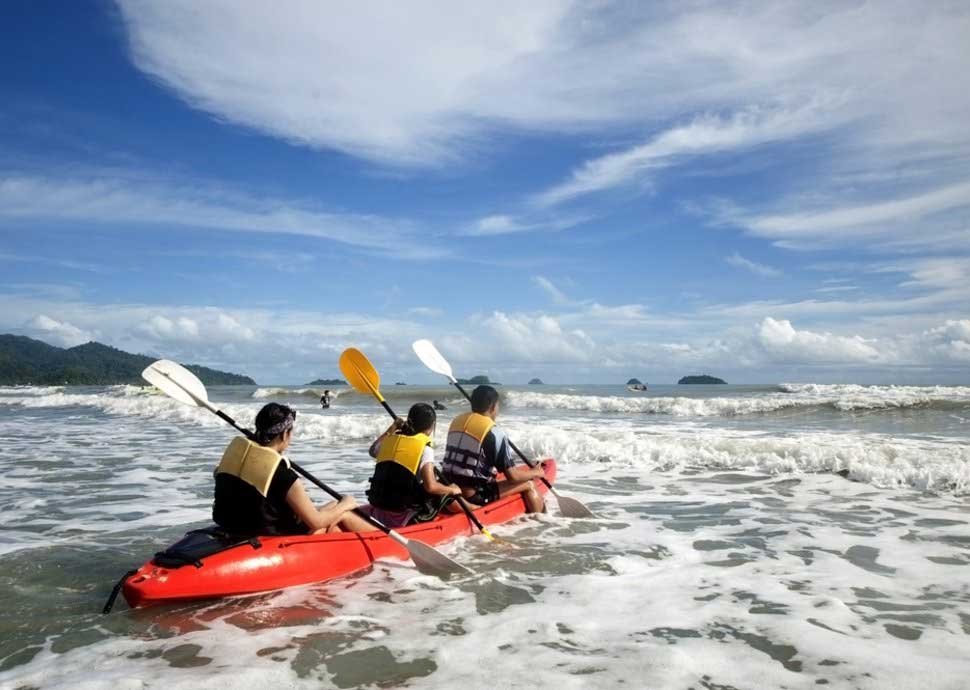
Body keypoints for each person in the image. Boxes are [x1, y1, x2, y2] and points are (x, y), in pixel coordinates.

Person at [212, 402, 372, 535]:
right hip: (275, 537)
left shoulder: (236, 460)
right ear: (284, 435)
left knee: (332, 505)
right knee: (343, 514)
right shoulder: (283, 475)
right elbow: (316, 522)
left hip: (237, 526)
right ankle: (385, 542)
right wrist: (347, 503)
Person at [441, 385, 545, 512]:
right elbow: (514, 477)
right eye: (498, 405)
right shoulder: (495, 433)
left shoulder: (456, 422)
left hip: (447, 490)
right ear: (492, 406)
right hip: (473, 497)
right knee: (530, 484)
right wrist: (536, 472)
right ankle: (539, 520)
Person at [365, 403, 462, 528]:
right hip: (404, 512)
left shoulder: (390, 440)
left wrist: (392, 428)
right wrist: (452, 489)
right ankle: (470, 511)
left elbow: (373, 451)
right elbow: (431, 487)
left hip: (380, 504)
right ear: (432, 426)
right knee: (444, 490)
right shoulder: (424, 448)